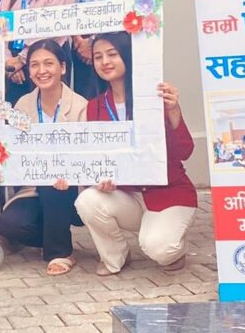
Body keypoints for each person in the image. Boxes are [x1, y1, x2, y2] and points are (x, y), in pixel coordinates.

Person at [75, 32, 197, 275]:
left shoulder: (156, 97)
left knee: (159, 249)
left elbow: (185, 151)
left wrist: (174, 112)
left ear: (128, 56)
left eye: (112, 54)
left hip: (168, 193)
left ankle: (173, 244)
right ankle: (115, 256)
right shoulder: (95, 106)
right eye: (98, 57)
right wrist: (100, 180)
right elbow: (98, 159)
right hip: (128, 195)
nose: (105, 62)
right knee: (87, 200)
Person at [0, 40, 87, 276]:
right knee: (10, 226)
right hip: (33, 186)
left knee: (53, 186)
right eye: (34, 65)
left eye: (49, 63)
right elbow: (11, 146)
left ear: (63, 68)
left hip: (70, 186)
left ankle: (61, 252)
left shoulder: (80, 107)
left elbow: (88, 155)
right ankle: (52, 234)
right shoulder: (23, 104)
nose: (41, 70)